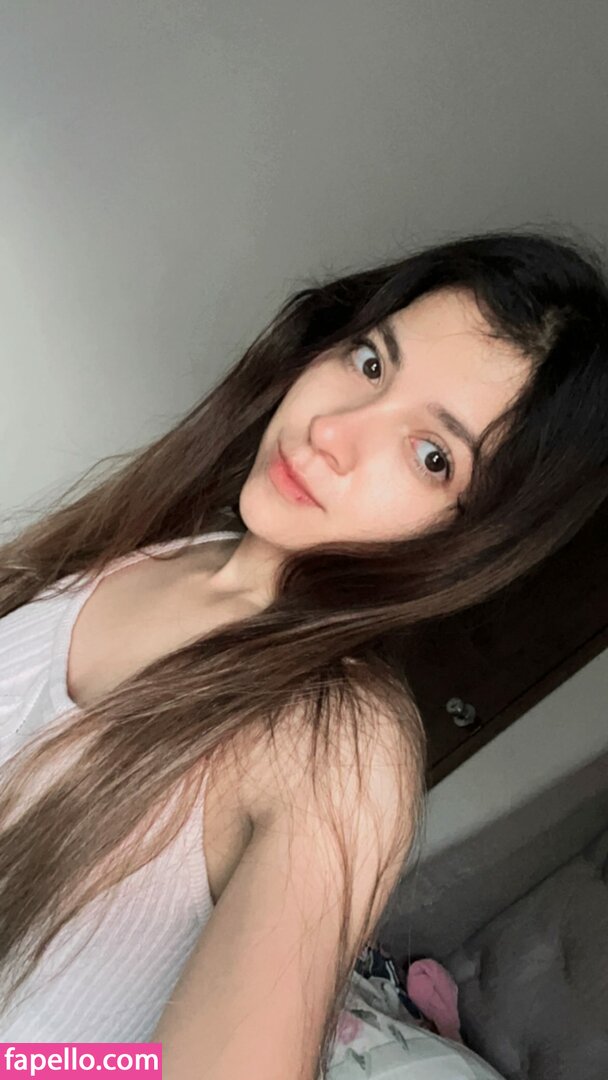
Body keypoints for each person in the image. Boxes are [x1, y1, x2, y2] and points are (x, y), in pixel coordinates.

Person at [0, 229, 606, 1079]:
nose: (332, 431)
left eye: (432, 456)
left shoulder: (342, 741)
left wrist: (33, 1063)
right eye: (371, 362)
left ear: (474, 541)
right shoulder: (173, 536)